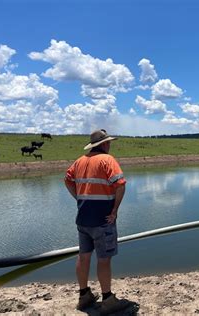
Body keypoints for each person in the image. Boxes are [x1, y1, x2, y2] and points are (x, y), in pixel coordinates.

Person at [64, 129, 127, 314]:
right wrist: (114, 210)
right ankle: (108, 300)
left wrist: (79, 199)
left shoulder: (80, 160)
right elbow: (121, 185)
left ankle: (84, 296)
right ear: (105, 144)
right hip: (102, 219)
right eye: (109, 142)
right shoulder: (108, 160)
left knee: (83, 256)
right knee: (104, 259)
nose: (110, 145)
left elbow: (67, 180)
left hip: (83, 218)